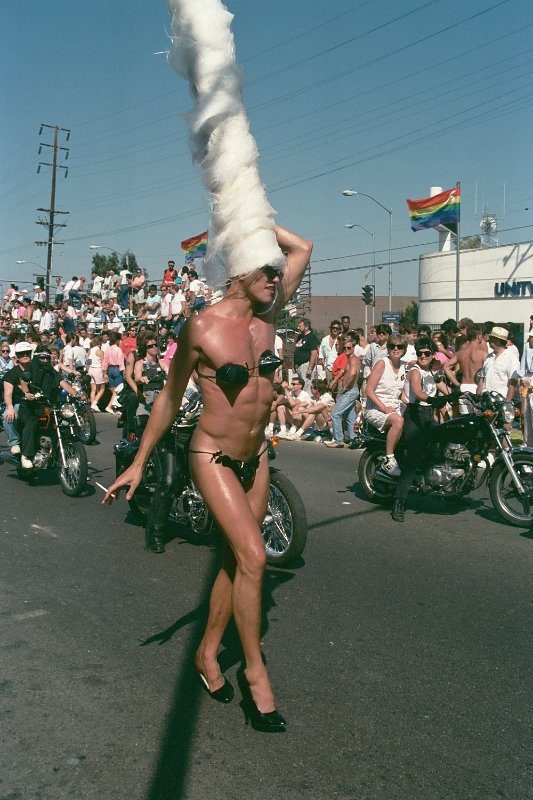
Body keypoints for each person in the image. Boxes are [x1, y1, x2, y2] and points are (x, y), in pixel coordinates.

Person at [103, 225, 312, 732]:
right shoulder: (200, 328)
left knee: (234, 560)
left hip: (256, 455)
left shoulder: (270, 316)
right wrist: (139, 461)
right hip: (213, 454)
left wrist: (254, 217)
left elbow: (302, 246)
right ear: (238, 271)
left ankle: (208, 653)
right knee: (255, 556)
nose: (277, 276)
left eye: (275, 269)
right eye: (266, 268)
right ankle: (256, 677)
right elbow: (170, 399)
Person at [391, 337, 450, 522]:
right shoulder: (415, 371)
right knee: (414, 457)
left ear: (433, 354)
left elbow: (444, 388)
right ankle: (399, 502)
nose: (423, 356)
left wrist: (460, 393)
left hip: (427, 415)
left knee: (444, 441)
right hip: (414, 415)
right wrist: (432, 400)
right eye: (420, 353)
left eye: (426, 353)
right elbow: (417, 391)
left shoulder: (432, 371)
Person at [363, 335, 407, 476]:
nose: (395, 349)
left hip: (395, 407)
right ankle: (389, 459)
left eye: (399, 346)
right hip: (376, 409)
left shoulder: (403, 367)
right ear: (387, 348)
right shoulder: (382, 363)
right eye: (392, 346)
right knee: (398, 421)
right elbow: (369, 390)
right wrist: (384, 408)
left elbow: (399, 393)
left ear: (404, 349)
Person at [325, 336, 361, 448]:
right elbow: (343, 371)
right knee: (350, 417)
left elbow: (353, 373)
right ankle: (353, 439)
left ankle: (338, 440)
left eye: (349, 347)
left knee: (335, 414)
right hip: (350, 390)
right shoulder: (349, 358)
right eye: (344, 348)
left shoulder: (354, 359)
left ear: (354, 347)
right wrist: (334, 381)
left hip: (350, 390)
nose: (346, 349)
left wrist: (346, 385)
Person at [444, 326, 488, 414]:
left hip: (463, 387)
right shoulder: (482, 354)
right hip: (477, 387)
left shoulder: (461, 353)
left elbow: (446, 367)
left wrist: (457, 383)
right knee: (480, 420)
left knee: (465, 418)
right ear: (478, 336)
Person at [2, 342, 33, 456]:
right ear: (17, 356)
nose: (25, 355)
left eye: (27, 353)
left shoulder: (37, 369)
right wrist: (10, 407)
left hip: (38, 402)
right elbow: (7, 394)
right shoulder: (12, 373)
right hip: (19, 403)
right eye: (21, 354)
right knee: (7, 417)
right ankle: (14, 442)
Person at [477, 326, 519, 401]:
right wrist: (478, 397)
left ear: (498, 341)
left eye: (491, 338)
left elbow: (512, 383)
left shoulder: (511, 358)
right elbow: (482, 379)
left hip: (501, 401)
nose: (489, 340)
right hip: (485, 400)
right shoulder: (489, 357)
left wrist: (507, 402)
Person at [101, 331, 125, 413]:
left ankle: (114, 407)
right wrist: (123, 371)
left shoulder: (107, 349)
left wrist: (104, 373)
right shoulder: (118, 349)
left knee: (113, 389)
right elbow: (121, 362)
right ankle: (110, 406)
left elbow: (104, 361)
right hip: (117, 369)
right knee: (118, 389)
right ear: (118, 340)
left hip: (110, 369)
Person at [293, 317, 319, 391]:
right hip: (299, 366)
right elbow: (297, 350)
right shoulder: (300, 336)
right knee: (299, 387)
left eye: (300, 326)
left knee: (306, 387)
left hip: (306, 365)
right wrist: (294, 364)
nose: (298, 328)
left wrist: (310, 369)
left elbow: (314, 353)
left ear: (306, 326)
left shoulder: (311, 337)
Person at [88, 337, 106, 411]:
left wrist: (88, 370)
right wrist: (104, 373)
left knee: (93, 389)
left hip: (90, 369)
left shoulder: (90, 351)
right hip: (97, 369)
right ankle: (94, 403)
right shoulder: (100, 351)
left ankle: (93, 405)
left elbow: (88, 362)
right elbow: (103, 364)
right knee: (102, 389)